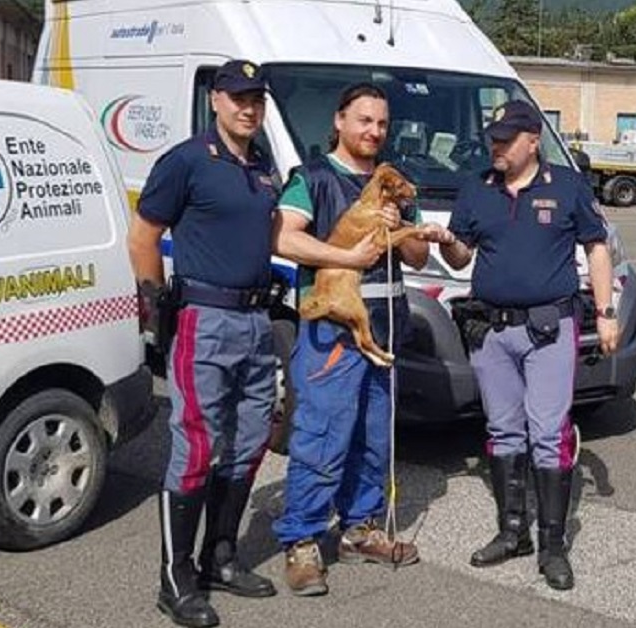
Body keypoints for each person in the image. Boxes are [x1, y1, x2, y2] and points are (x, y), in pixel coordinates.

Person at [270, 83, 452, 596]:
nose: (373, 131)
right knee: (323, 437)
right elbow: (284, 237)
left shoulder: (393, 183)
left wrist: (404, 226)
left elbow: (417, 259)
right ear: (339, 121)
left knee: (374, 439)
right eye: (363, 120)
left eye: (381, 124)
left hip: (385, 327)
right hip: (333, 332)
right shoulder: (313, 178)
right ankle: (302, 541)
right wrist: (348, 258)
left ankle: (360, 529)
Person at [436, 100, 619, 591]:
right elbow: (459, 259)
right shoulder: (477, 187)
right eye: (492, 138)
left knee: (547, 431)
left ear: (533, 140)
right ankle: (511, 531)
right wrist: (445, 240)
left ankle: (552, 546)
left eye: (505, 139)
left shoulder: (566, 186)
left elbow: (596, 247)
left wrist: (605, 314)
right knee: (502, 431)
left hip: (549, 331)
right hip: (492, 333)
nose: (495, 147)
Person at [128, 60, 282, 628]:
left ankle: (221, 557)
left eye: (257, 99)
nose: (249, 107)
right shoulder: (187, 160)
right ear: (216, 99)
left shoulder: (262, 167)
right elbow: (143, 236)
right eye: (238, 97)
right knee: (196, 445)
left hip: (255, 321)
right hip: (204, 320)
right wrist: (155, 310)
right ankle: (177, 578)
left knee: (249, 442)